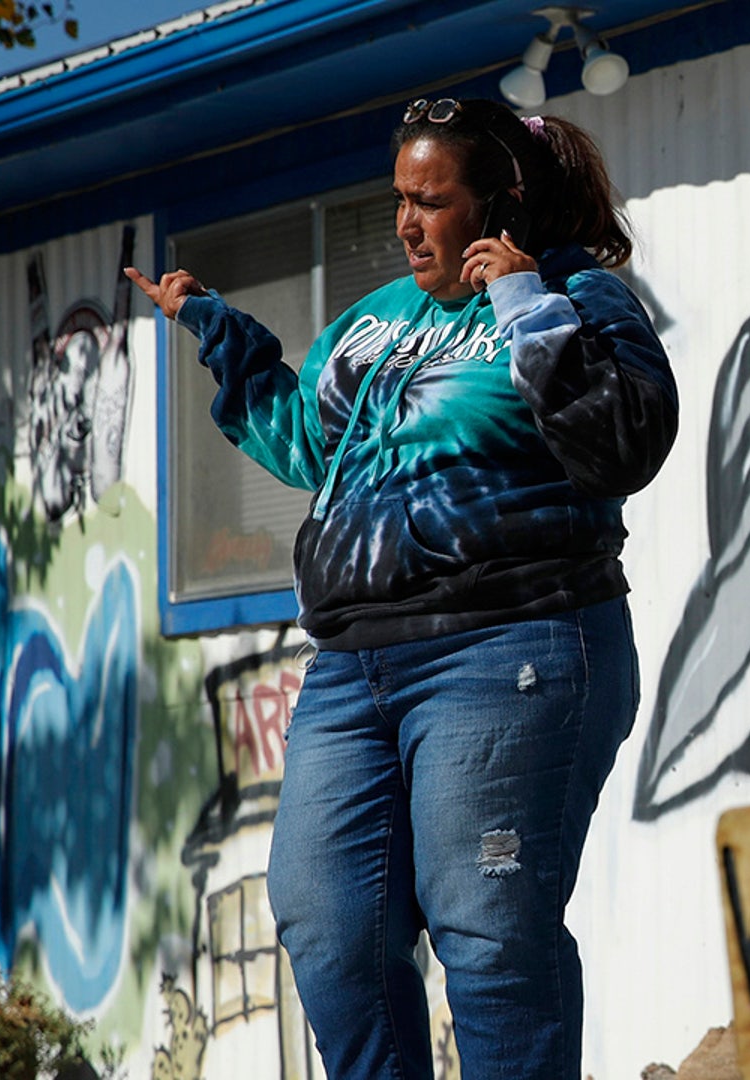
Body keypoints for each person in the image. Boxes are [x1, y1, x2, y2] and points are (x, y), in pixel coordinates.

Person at [127, 97, 676, 1080]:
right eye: (399, 201)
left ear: (501, 202)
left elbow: (625, 439)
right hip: (350, 672)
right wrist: (221, 333)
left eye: (433, 200)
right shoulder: (375, 325)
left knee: (491, 935)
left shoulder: (578, 297)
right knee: (327, 926)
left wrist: (526, 307)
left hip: (509, 645)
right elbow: (302, 440)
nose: (408, 224)